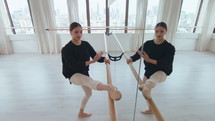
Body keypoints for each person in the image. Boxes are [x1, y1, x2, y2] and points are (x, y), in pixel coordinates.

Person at [61, 22, 122, 118]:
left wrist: (103, 59)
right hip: (73, 74)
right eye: (76, 32)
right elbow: (72, 65)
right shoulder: (66, 49)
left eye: (81, 32)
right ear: (71, 32)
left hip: (83, 73)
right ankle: (110, 88)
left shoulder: (85, 44)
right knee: (89, 81)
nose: (79, 34)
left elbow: (94, 56)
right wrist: (91, 62)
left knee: (88, 93)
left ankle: (81, 112)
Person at [126, 22, 175, 114]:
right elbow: (139, 53)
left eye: (161, 31)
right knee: (145, 90)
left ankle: (148, 86)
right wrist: (131, 59)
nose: (159, 34)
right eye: (157, 31)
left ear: (166, 32)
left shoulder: (169, 47)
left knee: (148, 85)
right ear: (154, 31)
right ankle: (150, 109)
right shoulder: (148, 44)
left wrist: (149, 60)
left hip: (162, 72)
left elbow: (166, 63)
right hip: (149, 71)